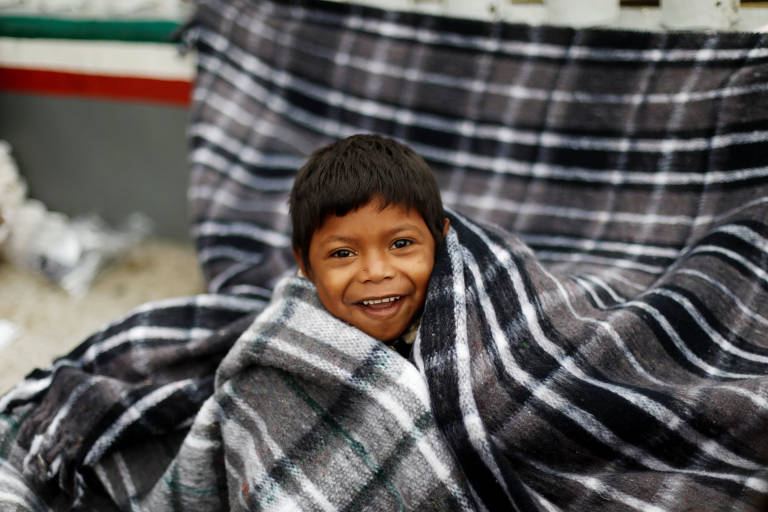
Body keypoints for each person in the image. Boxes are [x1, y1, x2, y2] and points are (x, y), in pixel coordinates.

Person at [289, 134, 450, 357]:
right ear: (305, 265)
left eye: (401, 243)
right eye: (343, 253)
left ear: (440, 240)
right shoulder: (287, 347)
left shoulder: (481, 320)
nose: (376, 273)